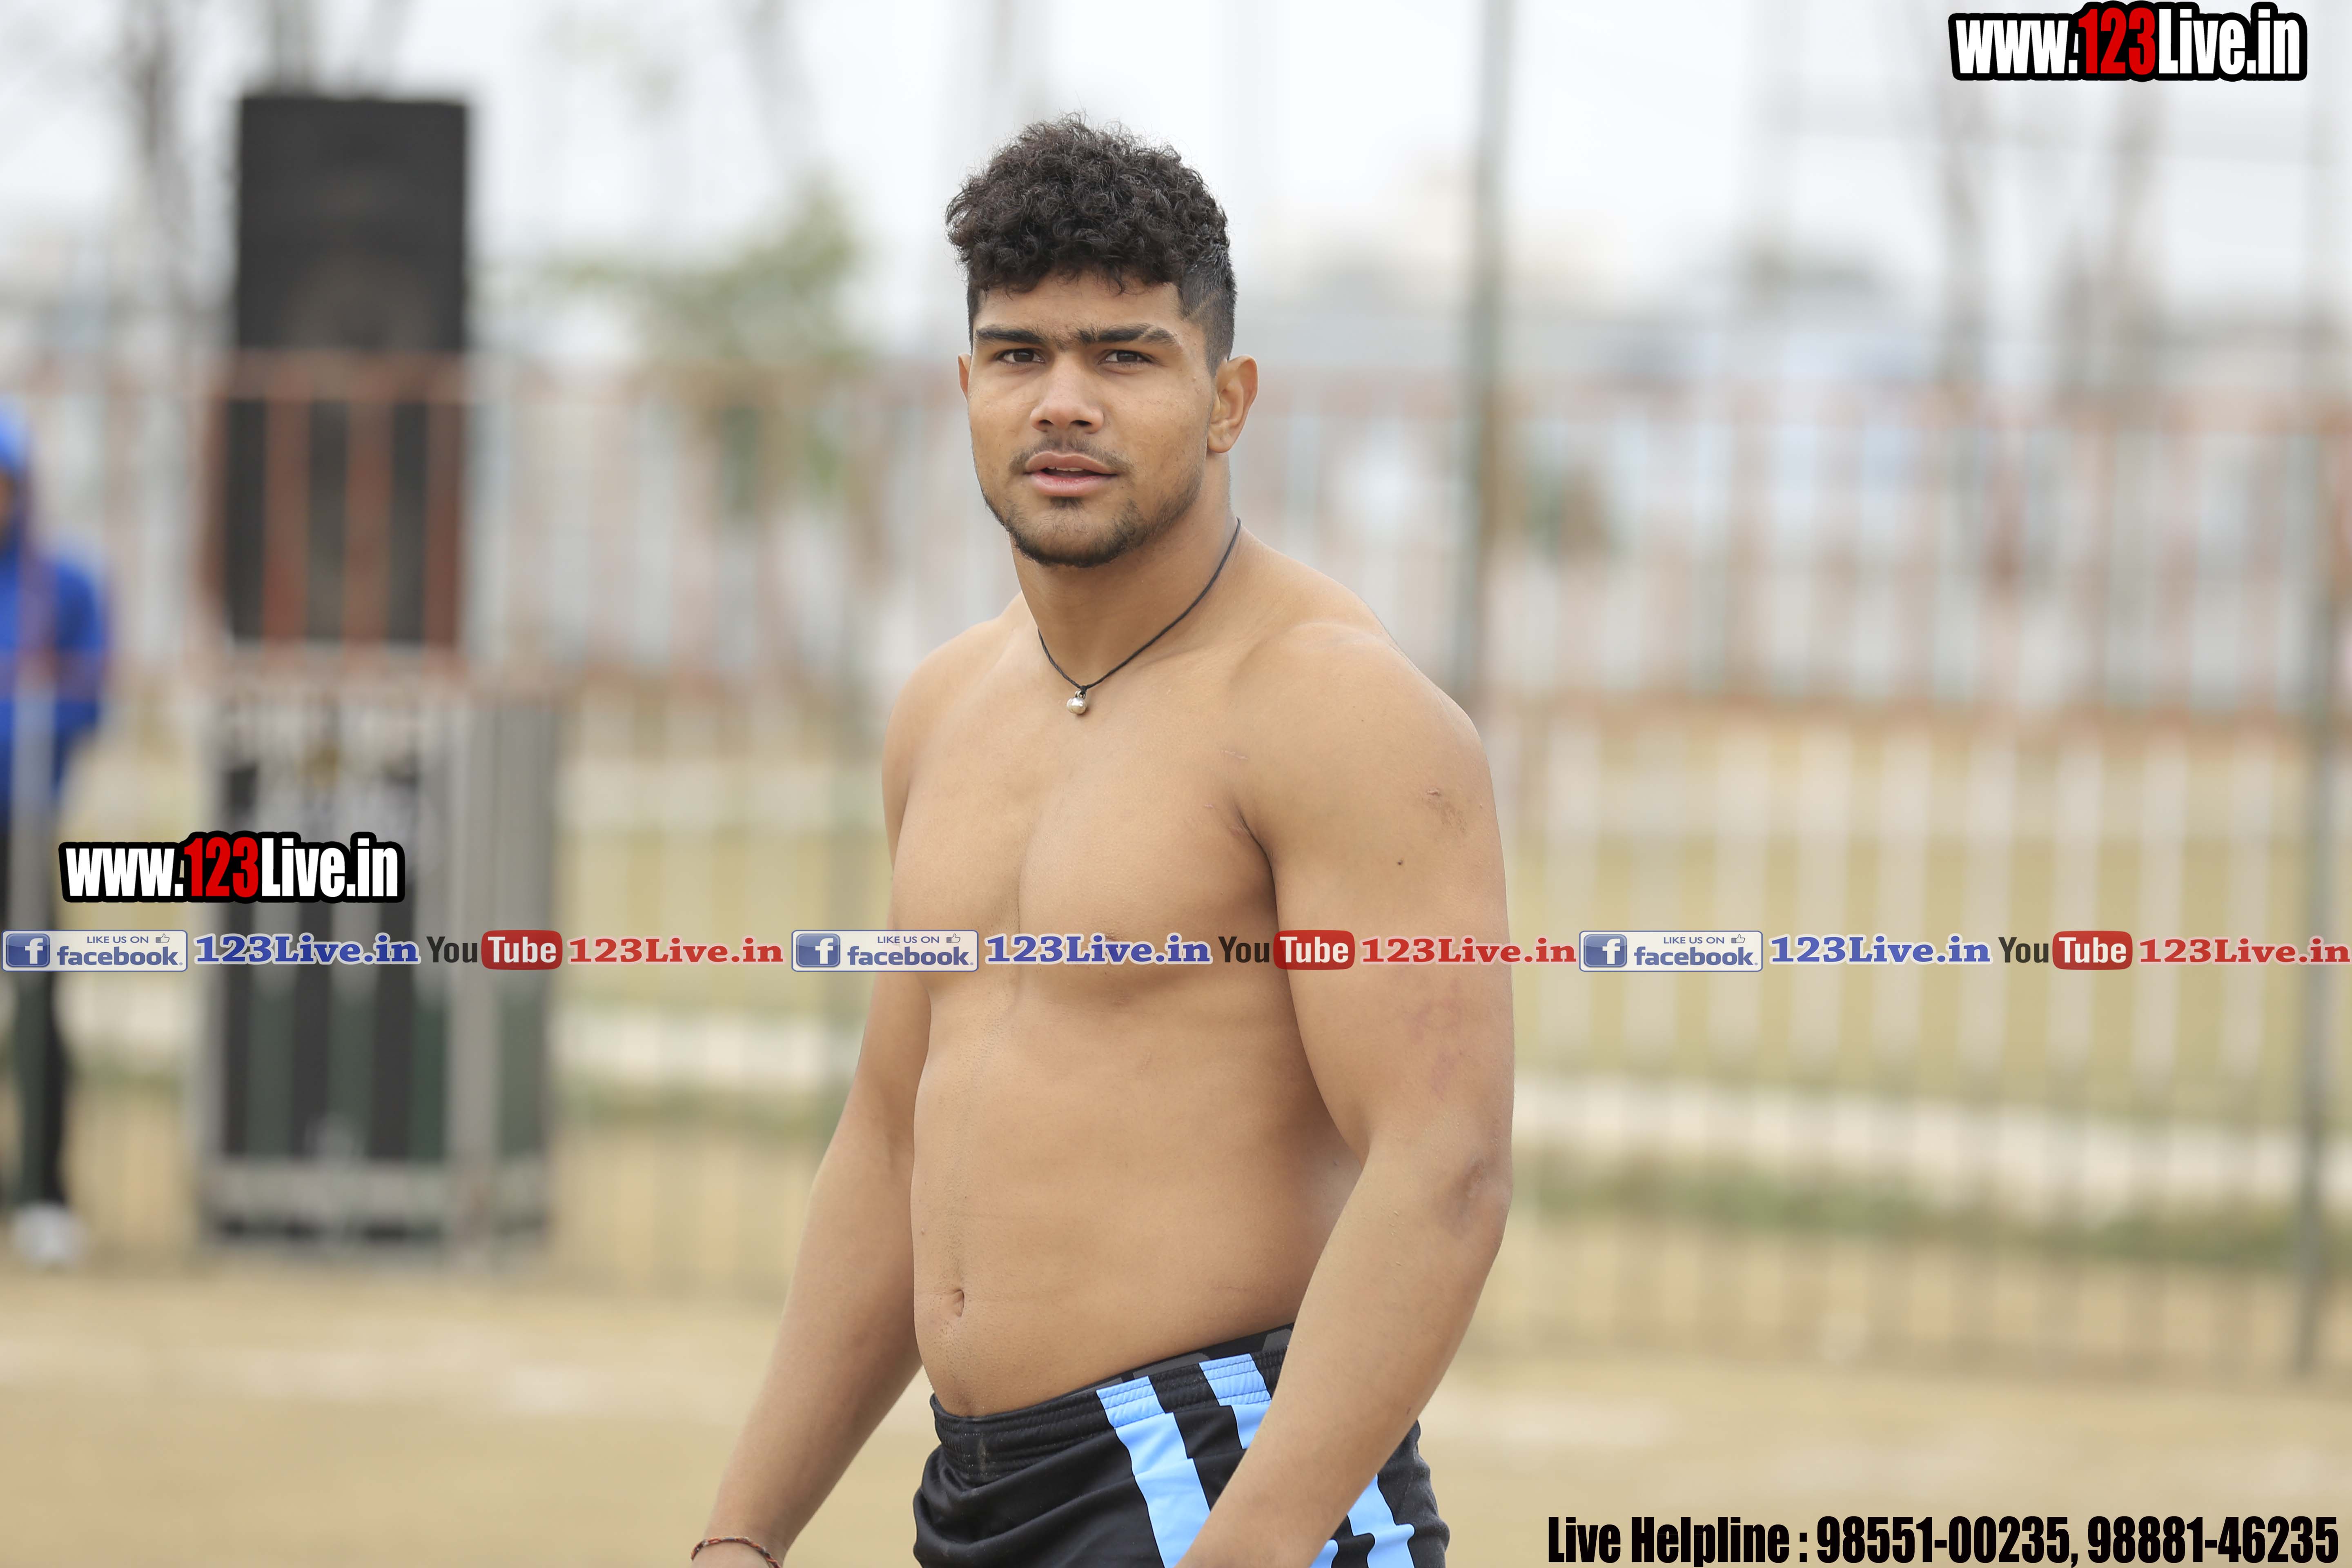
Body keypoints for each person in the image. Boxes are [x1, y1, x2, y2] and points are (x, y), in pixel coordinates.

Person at [696, 118, 1512, 1568]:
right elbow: (891, 1136)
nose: (1062, 402)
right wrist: (743, 1537)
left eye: (1124, 356)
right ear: (968, 387)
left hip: (1226, 1479)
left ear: (1227, 399)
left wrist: (1247, 1553)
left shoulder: (1331, 707)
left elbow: (1441, 1167)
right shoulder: (944, 709)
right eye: (1019, 354)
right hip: (977, 1498)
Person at [0, 406, 107, 1268]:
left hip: (23, 820)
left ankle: (42, 1193)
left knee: (37, 1006)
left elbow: (86, 698)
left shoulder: (62, 586)